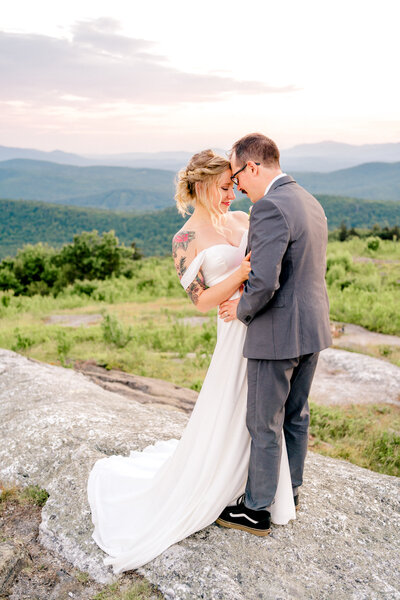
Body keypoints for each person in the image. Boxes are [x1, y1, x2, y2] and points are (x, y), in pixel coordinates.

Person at [87, 149, 296, 574]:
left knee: (263, 411)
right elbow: (201, 299)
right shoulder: (184, 239)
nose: (231, 196)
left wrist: (249, 287)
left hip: (260, 323)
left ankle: (257, 488)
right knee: (233, 408)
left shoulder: (242, 221)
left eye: (234, 187)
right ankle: (226, 482)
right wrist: (239, 277)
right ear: (201, 186)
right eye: (223, 188)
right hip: (231, 332)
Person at [216, 134, 332, 535]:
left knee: (263, 420)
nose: (236, 186)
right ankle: (291, 491)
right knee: (296, 415)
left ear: (252, 166)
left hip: (277, 332)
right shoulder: (309, 201)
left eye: (236, 176)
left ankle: (257, 509)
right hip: (312, 329)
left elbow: (264, 281)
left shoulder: (269, 207)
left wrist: (240, 309)